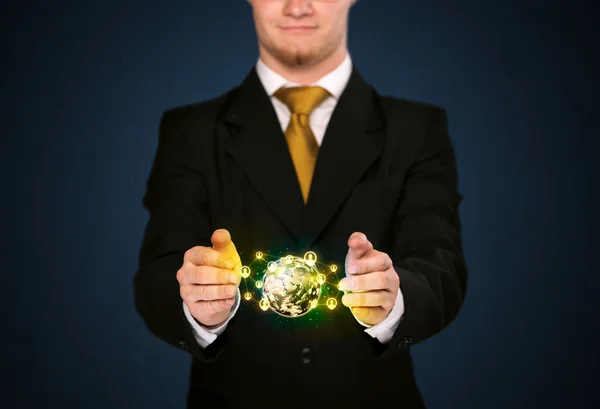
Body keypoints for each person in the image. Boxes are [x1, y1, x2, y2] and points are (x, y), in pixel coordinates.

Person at [133, 0, 468, 408]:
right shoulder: (190, 131)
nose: (298, 7)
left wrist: (392, 301)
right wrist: (199, 306)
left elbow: (441, 264)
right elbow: (158, 273)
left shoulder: (417, 129)